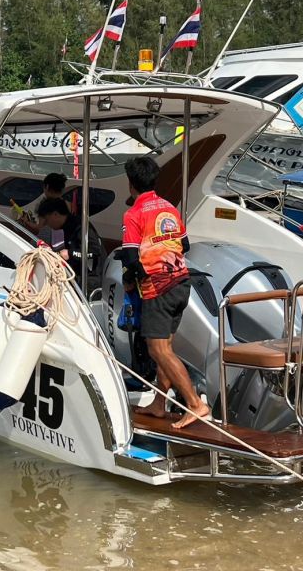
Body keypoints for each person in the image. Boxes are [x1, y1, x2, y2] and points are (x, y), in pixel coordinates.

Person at [119, 156, 210, 428]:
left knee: (158, 350)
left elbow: (131, 258)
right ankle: (159, 403)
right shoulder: (168, 207)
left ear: (130, 183)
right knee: (165, 347)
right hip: (182, 282)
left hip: (158, 288)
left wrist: (129, 278)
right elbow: (185, 244)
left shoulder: (134, 213)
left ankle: (195, 404)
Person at [36, 197, 104, 289]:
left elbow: (95, 252)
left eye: (47, 220)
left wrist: (70, 253)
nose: (47, 225)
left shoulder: (80, 226)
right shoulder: (66, 227)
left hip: (90, 281)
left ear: (55, 214)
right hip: (77, 277)